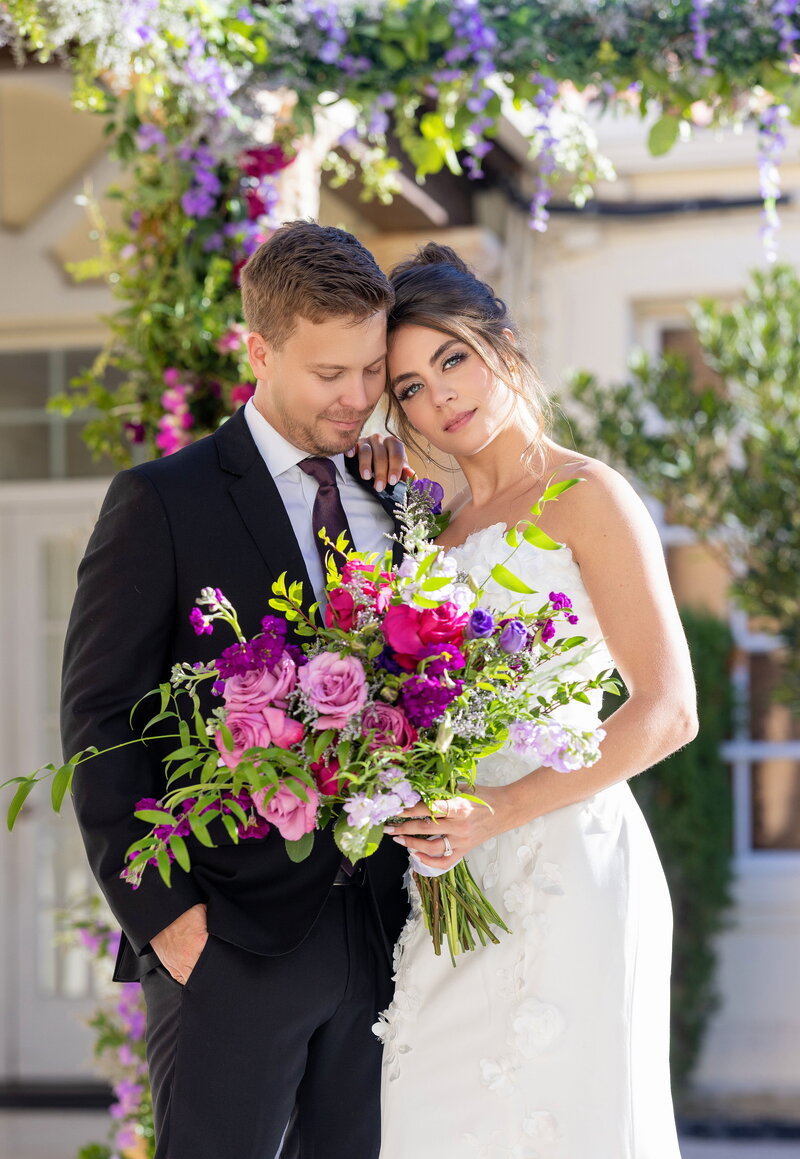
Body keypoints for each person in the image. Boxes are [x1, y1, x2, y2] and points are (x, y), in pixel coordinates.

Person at [60, 221, 412, 1159]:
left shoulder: (398, 497)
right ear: (259, 351)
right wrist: (168, 921)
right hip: (232, 937)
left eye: (373, 370)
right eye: (329, 373)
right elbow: (100, 720)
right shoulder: (163, 501)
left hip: (385, 931)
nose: (358, 397)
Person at [374, 243, 698, 1159]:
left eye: (452, 358)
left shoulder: (586, 493)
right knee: (427, 1119)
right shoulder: (427, 527)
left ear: (502, 344)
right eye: (406, 388)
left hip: (564, 863)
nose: (439, 397)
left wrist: (502, 807)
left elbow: (669, 709)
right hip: (452, 869)